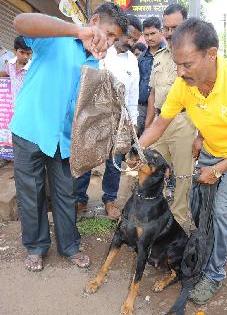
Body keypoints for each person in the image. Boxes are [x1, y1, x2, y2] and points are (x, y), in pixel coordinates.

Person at [136, 18, 227, 304]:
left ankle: (214, 275)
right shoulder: (185, 84)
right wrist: (136, 148)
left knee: (222, 215)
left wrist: (219, 169)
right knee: (199, 212)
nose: (180, 73)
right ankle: (199, 255)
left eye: (187, 64)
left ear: (211, 54)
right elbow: (160, 123)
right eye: (177, 65)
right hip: (210, 150)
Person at [11, 3, 128, 272]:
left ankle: (70, 246)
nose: (108, 43)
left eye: (113, 40)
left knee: (66, 193)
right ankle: (36, 247)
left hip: (63, 140)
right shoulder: (58, 38)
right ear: (94, 20)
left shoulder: (96, 63)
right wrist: (77, 30)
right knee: (31, 192)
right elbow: (20, 21)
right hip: (30, 129)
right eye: (108, 34)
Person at [75, 32, 139, 219]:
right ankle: (80, 199)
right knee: (87, 157)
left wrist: (132, 122)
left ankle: (110, 200)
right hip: (95, 116)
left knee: (115, 162)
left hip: (119, 119)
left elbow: (133, 94)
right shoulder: (102, 54)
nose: (132, 42)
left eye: (135, 39)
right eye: (130, 37)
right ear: (121, 35)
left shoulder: (132, 61)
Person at [145, 4, 195, 230]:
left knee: (183, 178)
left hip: (184, 122)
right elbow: (153, 94)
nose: (169, 32)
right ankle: (157, 224)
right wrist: (147, 126)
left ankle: (179, 229)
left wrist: (200, 135)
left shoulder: (195, 55)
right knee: (154, 173)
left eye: (175, 27)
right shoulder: (159, 56)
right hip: (159, 123)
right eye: (166, 27)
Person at [137, 16, 164, 137]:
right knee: (138, 140)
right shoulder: (141, 58)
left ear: (161, 32)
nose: (149, 38)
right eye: (146, 35)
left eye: (153, 33)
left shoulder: (170, 55)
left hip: (161, 109)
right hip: (141, 108)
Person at [2, 36, 32, 103]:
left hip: (28, 104)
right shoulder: (10, 64)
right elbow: (5, 73)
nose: (25, 56)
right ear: (15, 51)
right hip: (14, 104)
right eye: (22, 52)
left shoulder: (33, 68)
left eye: (28, 53)